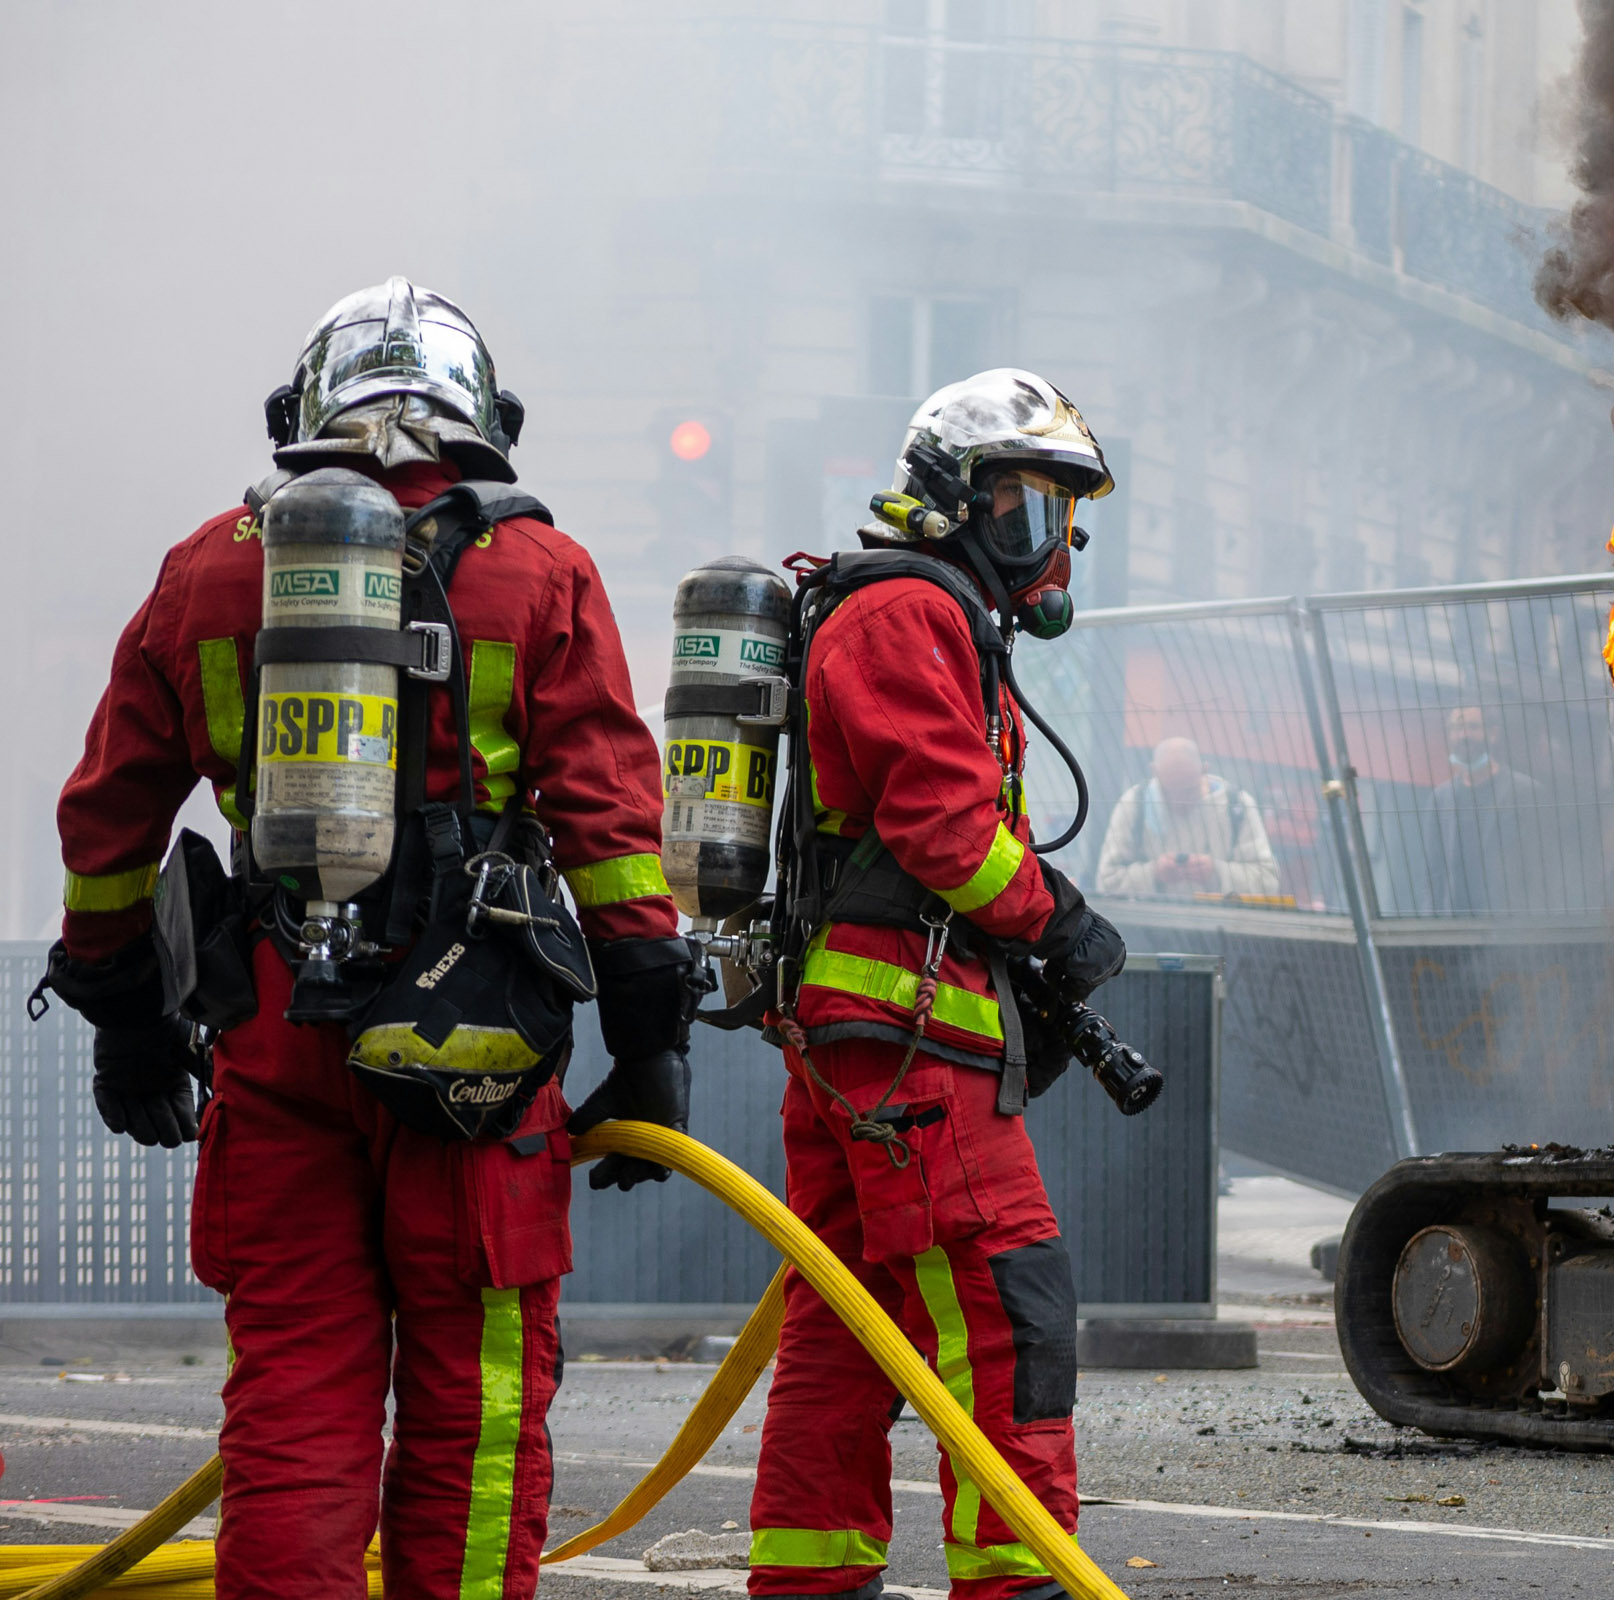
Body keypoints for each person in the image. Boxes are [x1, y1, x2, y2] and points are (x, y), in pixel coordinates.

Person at [40, 279, 691, 1600]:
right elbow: (611, 824)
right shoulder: (538, 570)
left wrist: (125, 1022)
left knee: (294, 1405)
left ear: (306, 414)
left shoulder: (211, 566)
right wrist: (649, 1031)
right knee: (475, 1418)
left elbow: (108, 818)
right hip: (479, 1042)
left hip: (274, 1039)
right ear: (480, 420)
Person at [750, 368, 1125, 1600]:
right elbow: (946, 829)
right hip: (911, 1045)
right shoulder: (905, 610)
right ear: (954, 499)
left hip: (876, 1040)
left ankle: (809, 1580)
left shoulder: (924, 612)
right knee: (1008, 1308)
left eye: (1063, 517)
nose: (1047, 545)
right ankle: (1021, 1583)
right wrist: (1059, 923)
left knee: (844, 1330)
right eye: (1024, 508)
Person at [1095, 736, 1278, 898]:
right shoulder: (1134, 805)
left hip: (1223, 928)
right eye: (1170, 792)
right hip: (1150, 928)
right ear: (1154, 772)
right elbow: (1105, 882)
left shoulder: (1237, 806)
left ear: (1204, 770)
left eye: (1189, 791)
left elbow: (1269, 882)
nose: (1180, 802)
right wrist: (1154, 874)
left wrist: (1215, 873)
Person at [1428, 704, 1543, 914]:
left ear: (1493, 734)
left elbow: (1538, 864)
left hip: (1508, 922)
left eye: (1472, 727)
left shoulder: (1525, 792)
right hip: (1456, 922)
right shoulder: (1441, 798)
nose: (1463, 735)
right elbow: (1435, 870)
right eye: (1456, 728)